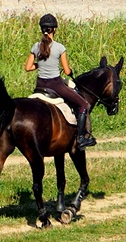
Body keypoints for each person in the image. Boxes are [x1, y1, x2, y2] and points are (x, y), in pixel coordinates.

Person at [25, 14, 96, 150]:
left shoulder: (35, 46)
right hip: (56, 85)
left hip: (40, 85)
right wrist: (69, 72)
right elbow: (67, 70)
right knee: (84, 104)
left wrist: (41, 64)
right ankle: (81, 138)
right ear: (54, 29)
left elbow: (28, 68)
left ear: (42, 29)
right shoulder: (59, 48)